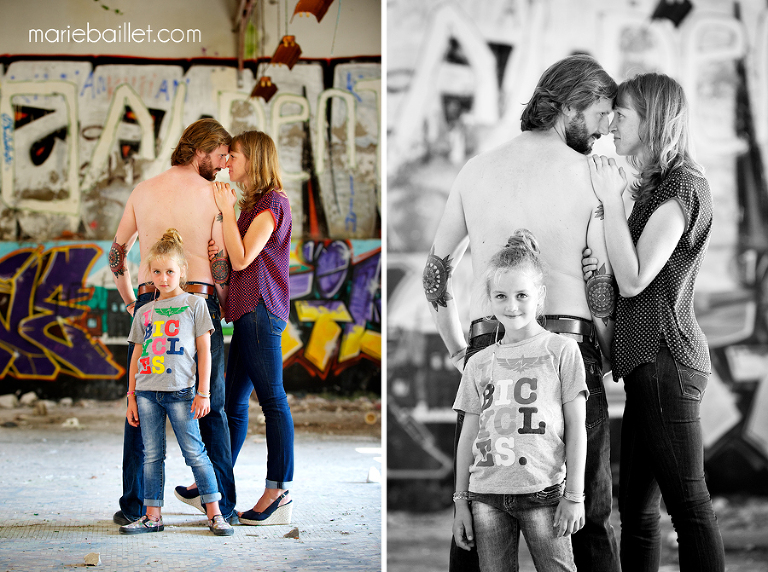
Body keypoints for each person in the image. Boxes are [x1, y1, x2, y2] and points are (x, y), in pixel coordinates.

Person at [425, 54, 621, 572]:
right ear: (570, 105)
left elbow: (437, 273)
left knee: (479, 495)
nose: (604, 132)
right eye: (601, 115)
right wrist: (608, 354)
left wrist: (456, 350)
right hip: (568, 350)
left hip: (489, 346)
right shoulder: (593, 176)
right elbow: (600, 283)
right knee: (588, 512)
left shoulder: (477, 169)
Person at [582, 72, 725, 571]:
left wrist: (607, 200)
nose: (611, 127)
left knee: (689, 507)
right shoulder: (656, 187)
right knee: (638, 514)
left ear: (654, 119)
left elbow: (636, 278)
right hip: (647, 366)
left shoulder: (683, 187)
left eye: (621, 116)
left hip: (668, 362)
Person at [110, 118, 238, 526]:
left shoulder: (143, 191)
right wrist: (220, 305)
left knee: (139, 403)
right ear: (200, 150)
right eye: (219, 157)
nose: (221, 166)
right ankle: (224, 509)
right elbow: (220, 264)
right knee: (211, 407)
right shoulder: (215, 196)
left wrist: (134, 300)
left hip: (150, 301)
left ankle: (134, 507)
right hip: (198, 301)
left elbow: (117, 254)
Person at [452, 230, 588, 572]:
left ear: (539, 296)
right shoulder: (479, 362)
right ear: (490, 299)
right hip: (486, 497)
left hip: (544, 493)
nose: (511, 306)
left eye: (521, 295)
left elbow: (577, 429)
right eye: (501, 296)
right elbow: (467, 437)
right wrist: (461, 502)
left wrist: (574, 496)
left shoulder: (561, 351)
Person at [119, 230, 233, 536]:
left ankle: (215, 514)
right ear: (150, 274)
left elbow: (206, 353)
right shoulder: (144, 312)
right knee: (151, 455)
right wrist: (130, 396)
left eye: (170, 271)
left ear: (182, 272)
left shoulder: (195, 305)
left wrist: (204, 392)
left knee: (195, 452)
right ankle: (152, 516)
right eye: (157, 272)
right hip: (146, 393)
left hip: (182, 393)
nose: (163, 278)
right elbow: (136, 356)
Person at [209, 130, 294, 525]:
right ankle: (213, 478)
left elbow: (243, 260)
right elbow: (232, 259)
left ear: (254, 159)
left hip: (260, 310)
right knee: (232, 404)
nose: (227, 163)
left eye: (234, 156)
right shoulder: (252, 206)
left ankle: (278, 492)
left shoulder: (271, 203)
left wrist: (225, 214)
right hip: (246, 312)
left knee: (273, 401)